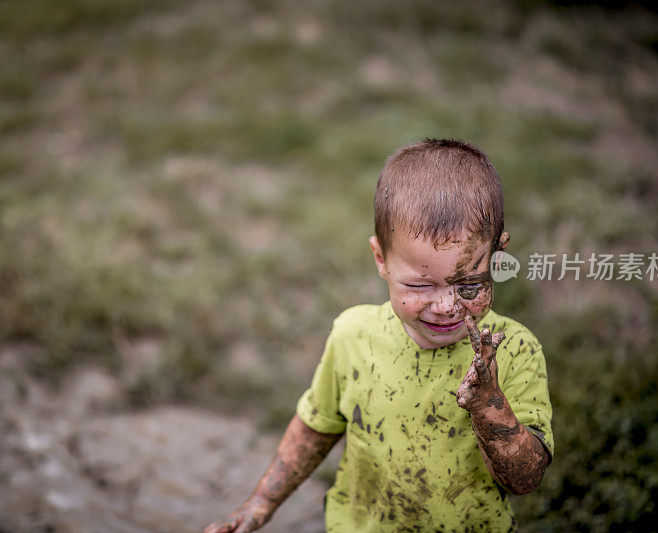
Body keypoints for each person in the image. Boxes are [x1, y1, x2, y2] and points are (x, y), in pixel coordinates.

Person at [204, 139, 554, 532]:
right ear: (380, 260)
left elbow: (525, 480)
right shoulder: (354, 335)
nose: (446, 305)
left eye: (470, 283)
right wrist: (260, 504)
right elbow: (317, 425)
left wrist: (489, 404)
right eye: (421, 287)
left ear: (497, 255)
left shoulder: (514, 350)